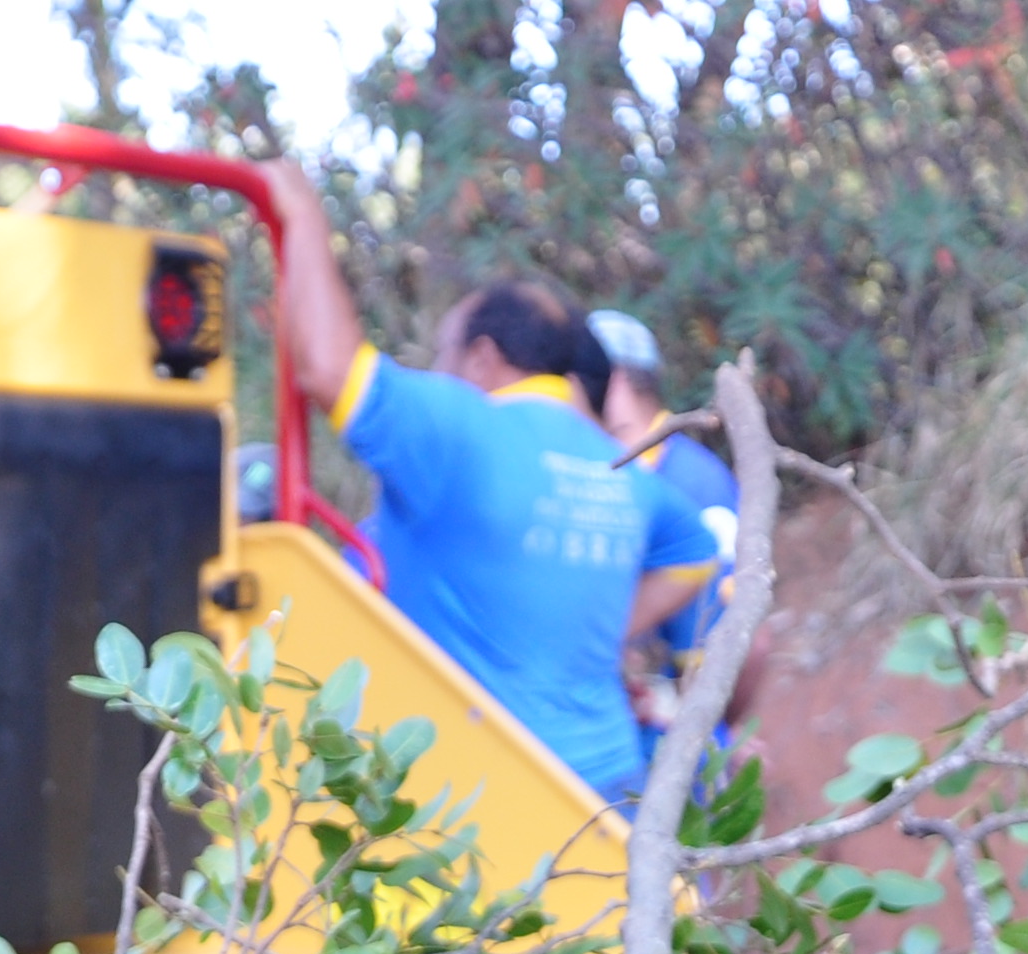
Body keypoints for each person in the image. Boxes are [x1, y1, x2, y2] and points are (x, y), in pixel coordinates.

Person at [260, 168, 717, 801]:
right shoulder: (622, 471)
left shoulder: (462, 428)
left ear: (482, 357)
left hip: (487, 802)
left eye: (444, 353)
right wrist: (589, 628)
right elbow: (696, 555)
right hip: (609, 792)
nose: (437, 372)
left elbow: (327, 368)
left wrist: (299, 211)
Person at [590, 307, 754, 748]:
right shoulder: (628, 472)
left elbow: (737, 643)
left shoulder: (691, 485)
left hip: (676, 739)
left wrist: (716, 734)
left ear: (616, 382)